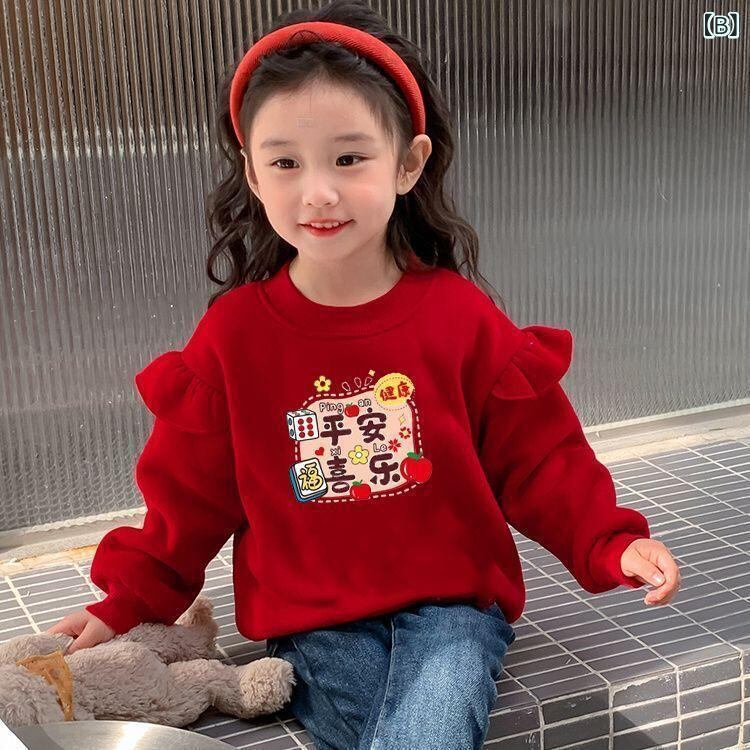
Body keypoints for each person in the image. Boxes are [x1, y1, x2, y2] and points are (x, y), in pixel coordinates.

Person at [47, 1, 681, 747]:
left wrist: (609, 540)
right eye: (286, 162)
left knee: (430, 725)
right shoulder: (235, 336)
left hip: (453, 609)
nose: (318, 192)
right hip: (313, 617)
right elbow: (187, 498)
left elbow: (539, 458)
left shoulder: (459, 316)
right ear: (252, 172)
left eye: (349, 159)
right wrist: (127, 601)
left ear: (408, 163)